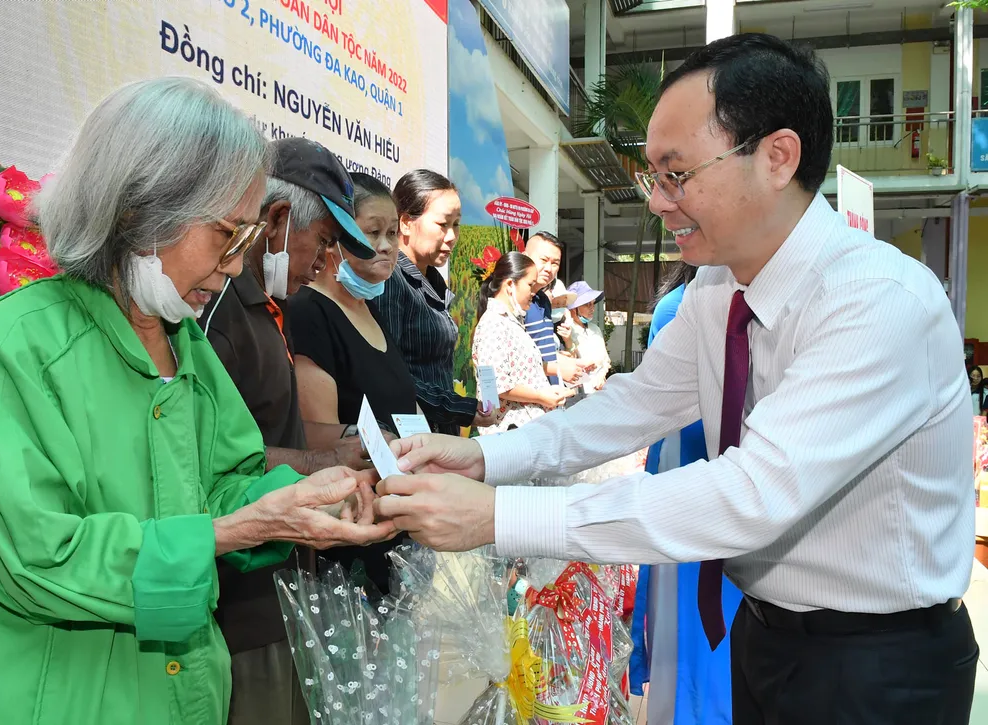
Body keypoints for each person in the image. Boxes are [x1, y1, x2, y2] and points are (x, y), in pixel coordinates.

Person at [375, 33, 978, 725]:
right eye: (652, 176)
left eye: (677, 172)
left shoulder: (877, 301)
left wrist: (503, 517)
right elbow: (635, 403)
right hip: (766, 633)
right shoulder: (720, 286)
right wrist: (488, 459)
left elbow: (752, 493)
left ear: (777, 157)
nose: (659, 201)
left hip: (880, 664)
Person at [0, 78, 395, 725]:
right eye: (225, 235)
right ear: (137, 211)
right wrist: (240, 527)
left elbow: (224, 481)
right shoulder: (16, 346)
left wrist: (304, 501)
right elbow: (37, 557)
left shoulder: (184, 345)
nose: (236, 266)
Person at [198, 137, 381, 725]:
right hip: (245, 610)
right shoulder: (215, 315)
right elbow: (212, 461)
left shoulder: (266, 309)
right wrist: (318, 465)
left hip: (285, 591)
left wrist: (337, 451)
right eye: (324, 243)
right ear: (276, 220)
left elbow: (264, 426)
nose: (327, 264)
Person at [288, 172, 414, 592]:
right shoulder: (310, 313)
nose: (386, 246)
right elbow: (318, 437)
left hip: (393, 522)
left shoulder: (372, 313)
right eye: (371, 232)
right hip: (347, 538)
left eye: (393, 233)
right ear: (338, 238)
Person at [631, 262, 741, 725]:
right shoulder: (682, 309)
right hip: (696, 500)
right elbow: (654, 408)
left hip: (737, 502)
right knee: (697, 650)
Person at [373, 169, 499, 435]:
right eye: (443, 224)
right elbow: (392, 377)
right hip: (411, 437)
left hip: (438, 432)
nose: (452, 236)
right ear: (406, 223)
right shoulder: (392, 281)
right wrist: (460, 408)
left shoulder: (432, 281)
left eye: (456, 224)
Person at [472, 251, 573, 435]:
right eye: (530, 285)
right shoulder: (494, 324)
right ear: (510, 284)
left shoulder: (511, 322)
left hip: (527, 431)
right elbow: (497, 385)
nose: (533, 293)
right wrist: (542, 396)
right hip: (511, 435)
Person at [523, 231, 589, 385]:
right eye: (543, 260)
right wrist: (557, 367)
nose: (548, 268)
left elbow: (537, 348)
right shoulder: (514, 302)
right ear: (524, 257)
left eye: (555, 263)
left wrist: (557, 356)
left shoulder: (544, 300)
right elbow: (513, 358)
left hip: (551, 396)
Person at [564, 280, 611, 395]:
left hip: (599, 390)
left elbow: (606, 360)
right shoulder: (566, 330)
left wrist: (602, 376)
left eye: (592, 304)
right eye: (587, 304)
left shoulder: (595, 329)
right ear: (573, 308)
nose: (592, 309)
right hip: (577, 393)